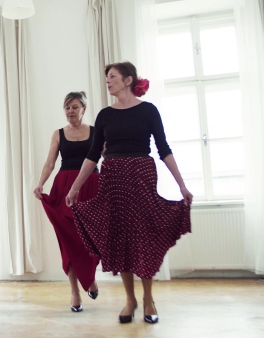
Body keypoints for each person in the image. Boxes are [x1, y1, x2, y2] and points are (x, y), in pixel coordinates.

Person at [65, 61, 192, 324]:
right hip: (113, 179)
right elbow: (92, 155)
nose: (107, 81)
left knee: (142, 235)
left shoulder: (148, 111)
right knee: (120, 236)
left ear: (128, 80)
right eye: (107, 77)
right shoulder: (104, 115)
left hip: (141, 175)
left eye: (112, 76)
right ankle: (130, 299)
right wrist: (75, 187)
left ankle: (147, 298)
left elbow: (164, 148)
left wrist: (181, 184)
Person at [33, 91, 100, 313]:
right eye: (67, 107)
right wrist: (41, 183)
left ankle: (89, 277)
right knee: (69, 240)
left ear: (84, 109)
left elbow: (108, 157)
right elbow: (50, 163)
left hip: (91, 187)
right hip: (64, 188)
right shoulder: (59, 134)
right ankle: (75, 291)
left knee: (91, 239)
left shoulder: (95, 132)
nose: (70, 111)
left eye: (74, 107)